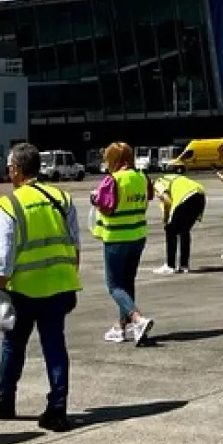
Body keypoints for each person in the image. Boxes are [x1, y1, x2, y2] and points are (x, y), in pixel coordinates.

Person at [0, 143, 79, 433]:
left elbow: (3, 258)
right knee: (55, 347)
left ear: (18, 170)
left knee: (12, 344)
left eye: (9, 167)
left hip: (23, 290)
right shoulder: (62, 198)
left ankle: (4, 400)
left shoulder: (10, 204)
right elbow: (74, 245)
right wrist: (72, 283)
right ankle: (58, 407)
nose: (8, 172)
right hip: (59, 286)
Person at [90, 142, 155, 345]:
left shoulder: (112, 180)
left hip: (117, 238)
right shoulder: (142, 177)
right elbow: (149, 197)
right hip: (137, 236)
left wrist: (95, 200)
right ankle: (121, 327)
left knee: (114, 285)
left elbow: (107, 208)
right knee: (127, 282)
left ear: (115, 161)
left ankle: (137, 318)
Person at [152, 173, 206, 275]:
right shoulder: (171, 177)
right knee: (184, 230)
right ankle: (184, 265)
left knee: (170, 230)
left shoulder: (158, 183)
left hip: (186, 198)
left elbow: (167, 202)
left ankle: (170, 265)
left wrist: (165, 221)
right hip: (200, 195)